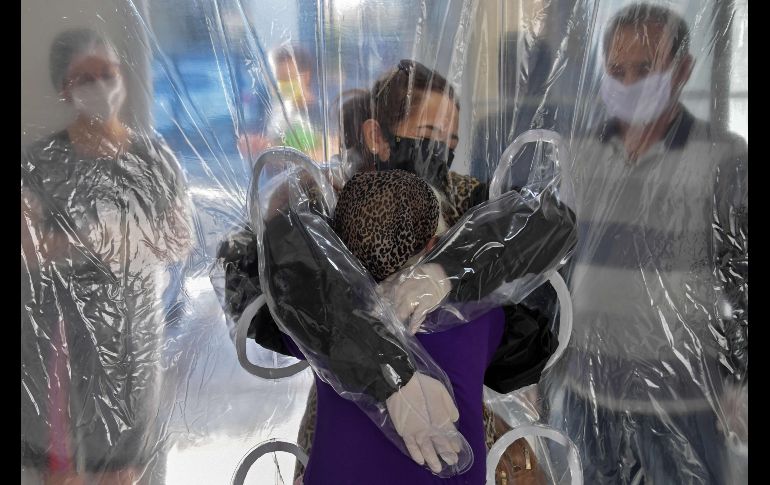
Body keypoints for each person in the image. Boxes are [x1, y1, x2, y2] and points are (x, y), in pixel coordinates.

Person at [218, 59, 577, 483]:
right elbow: (253, 274)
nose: (440, 151)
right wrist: (385, 369)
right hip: (353, 404)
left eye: (450, 140)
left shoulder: (467, 200)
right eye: (428, 136)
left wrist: (446, 273)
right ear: (376, 135)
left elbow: (549, 223)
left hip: (445, 420)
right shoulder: (329, 199)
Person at [540, 4, 748, 484]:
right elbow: (550, 265)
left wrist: (741, 379)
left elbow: (742, 274)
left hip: (684, 403)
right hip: (586, 396)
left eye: (644, 69)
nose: (629, 82)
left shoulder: (722, 156)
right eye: (617, 71)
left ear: (683, 70)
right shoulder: (578, 155)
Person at [21, 28, 193, 485]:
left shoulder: (154, 159)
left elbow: (179, 240)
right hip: (56, 344)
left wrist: (113, 237)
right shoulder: (39, 162)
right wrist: (92, 239)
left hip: (131, 345)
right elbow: (29, 249)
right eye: (85, 77)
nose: (100, 85)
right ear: (65, 88)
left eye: (107, 73)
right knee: (62, 472)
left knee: (122, 473)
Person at [238, 44, 328, 162]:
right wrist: (250, 143)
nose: (281, 85)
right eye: (278, 80)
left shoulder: (323, 114)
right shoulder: (276, 111)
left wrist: (271, 148)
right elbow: (256, 141)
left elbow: (326, 154)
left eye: (287, 79)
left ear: (306, 76)